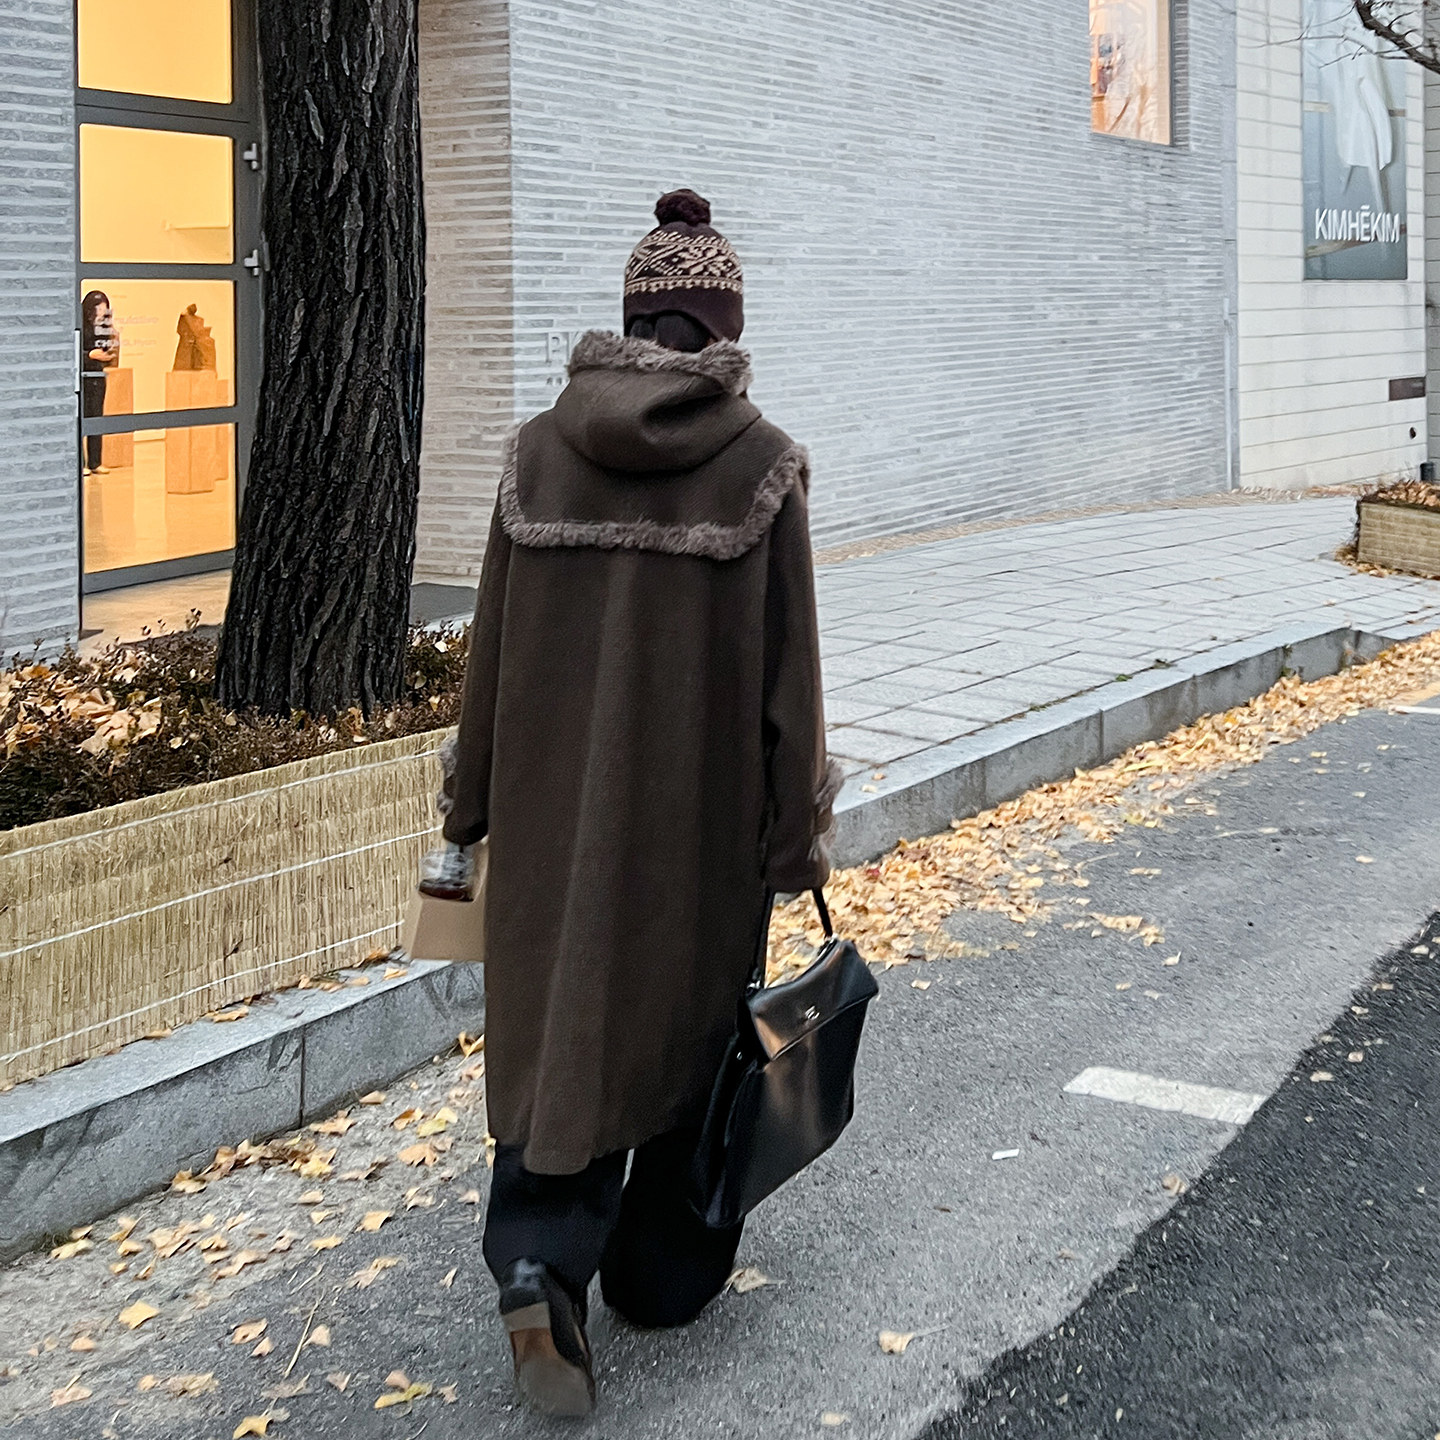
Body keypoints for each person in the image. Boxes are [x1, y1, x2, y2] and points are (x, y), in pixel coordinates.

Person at [427, 188, 840, 1417]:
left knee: (562, 1035)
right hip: (693, 836)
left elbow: (491, 652)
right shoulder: (760, 465)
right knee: (689, 1029)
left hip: (551, 824)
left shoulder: (535, 453)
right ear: (724, 326)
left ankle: (540, 1264)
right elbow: (791, 683)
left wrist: (469, 808)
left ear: (628, 317)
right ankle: (661, 1275)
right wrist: (793, 840)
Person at [81, 290, 119, 475]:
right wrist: (89, 355)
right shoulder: (80, 325)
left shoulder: (104, 327)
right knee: (81, 419)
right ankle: (81, 463)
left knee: (96, 418)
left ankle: (95, 462)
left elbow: (107, 351)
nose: (101, 312)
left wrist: (109, 352)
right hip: (82, 377)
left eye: (104, 308)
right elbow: (73, 352)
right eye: (98, 308)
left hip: (97, 376)